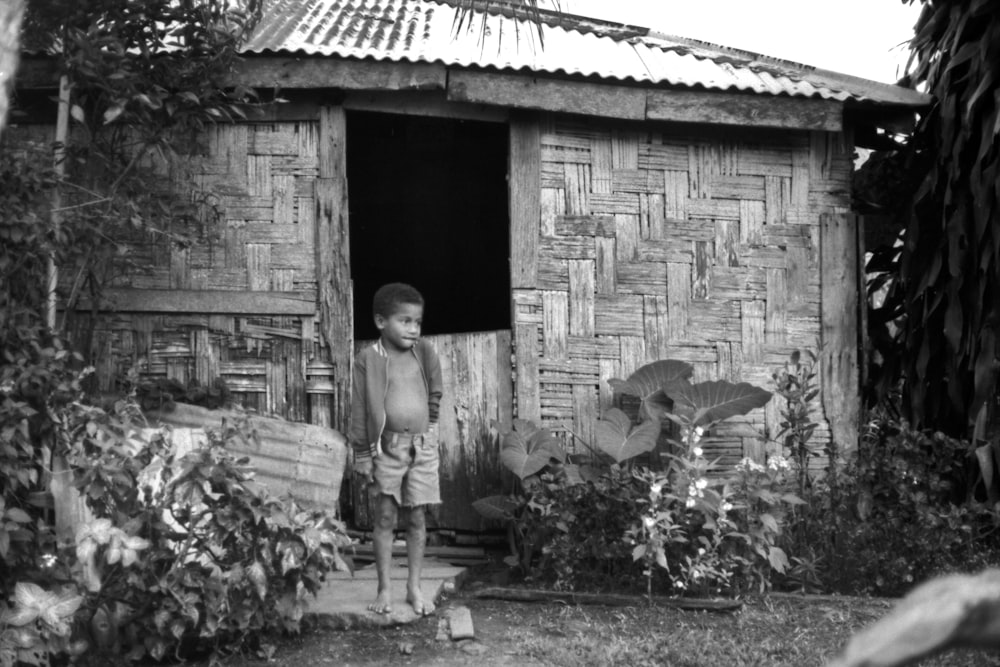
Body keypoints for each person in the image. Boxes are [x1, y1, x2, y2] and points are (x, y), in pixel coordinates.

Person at [350, 282, 443, 616]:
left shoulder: (426, 352)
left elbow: (434, 393)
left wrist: (429, 428)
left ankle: (414, 587)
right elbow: (360, 408)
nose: (413, 329)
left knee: (417, 517)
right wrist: (362, 455)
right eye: (404, 321)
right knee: (386, 516)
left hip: (421, 447)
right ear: (380, 321)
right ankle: (384, 588)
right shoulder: (368, 360)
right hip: (386, 448)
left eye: (417, 322)